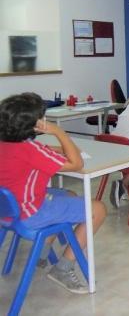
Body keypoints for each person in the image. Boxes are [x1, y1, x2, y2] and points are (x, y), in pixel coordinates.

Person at [0, 92, 107, 294]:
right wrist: (59, 132)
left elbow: (37, 152)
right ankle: (63, 268)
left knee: (68, 195)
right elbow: (77, 163)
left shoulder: (7, 144)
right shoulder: (31, 150)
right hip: (30, 213)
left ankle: (41, 254)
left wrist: (56, 148)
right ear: (34, 123)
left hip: (7, 212)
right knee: (98, 209)